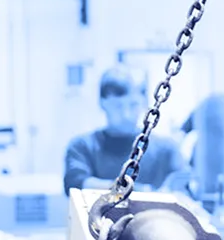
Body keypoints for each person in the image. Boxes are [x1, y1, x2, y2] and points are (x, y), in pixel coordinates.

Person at [63, 65, 192, 195]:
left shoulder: (166, 149)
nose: (126, 115)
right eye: (118, 106)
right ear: (103, 103)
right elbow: (75, 184)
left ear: (143, 103)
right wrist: (134, 190)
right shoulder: (83, 146)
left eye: (133, 105)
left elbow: (182, 186)